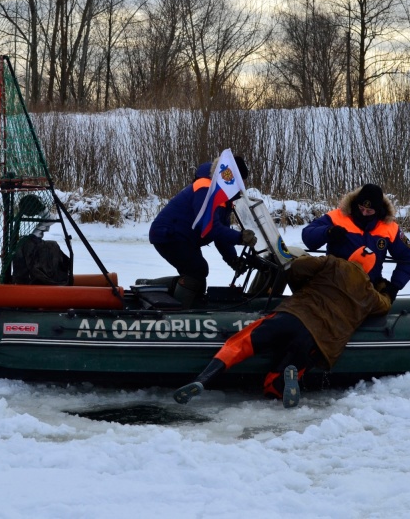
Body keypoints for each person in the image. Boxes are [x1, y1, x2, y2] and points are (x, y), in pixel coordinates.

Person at [173, 252, 395, 408]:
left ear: (352, 257)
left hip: (292, 315)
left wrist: (302, 280)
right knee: (276, 380)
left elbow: (297, 268)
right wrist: (384, 288)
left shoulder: (332, 263)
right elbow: (385, 305)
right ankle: (283, 381)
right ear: (368, 269)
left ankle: (203, 379)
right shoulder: (369, 294)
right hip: (318, 340)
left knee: (240, 344)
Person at [146, 156, 257, 308]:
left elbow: (221, 233)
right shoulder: (206, 188)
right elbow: (208, 226)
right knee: (197, 270)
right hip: (169, 234)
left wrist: (233, 259)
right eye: (241, 180)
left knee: (198, 276)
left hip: (184, 237)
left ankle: (153, 290)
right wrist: (240, 238)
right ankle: (176, 314)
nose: (243, 185)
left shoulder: (224, 196)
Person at [301, 183, 410, 302]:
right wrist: (328, 232)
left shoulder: (390, 227)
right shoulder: (337, 216)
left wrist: (395, 285)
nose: (364, 213)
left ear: (378, 210)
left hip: (368, 289)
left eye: (369, 211)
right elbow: (307, 235)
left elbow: (408, 256)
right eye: (361, 208)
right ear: (356, 203)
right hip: (334, 285)